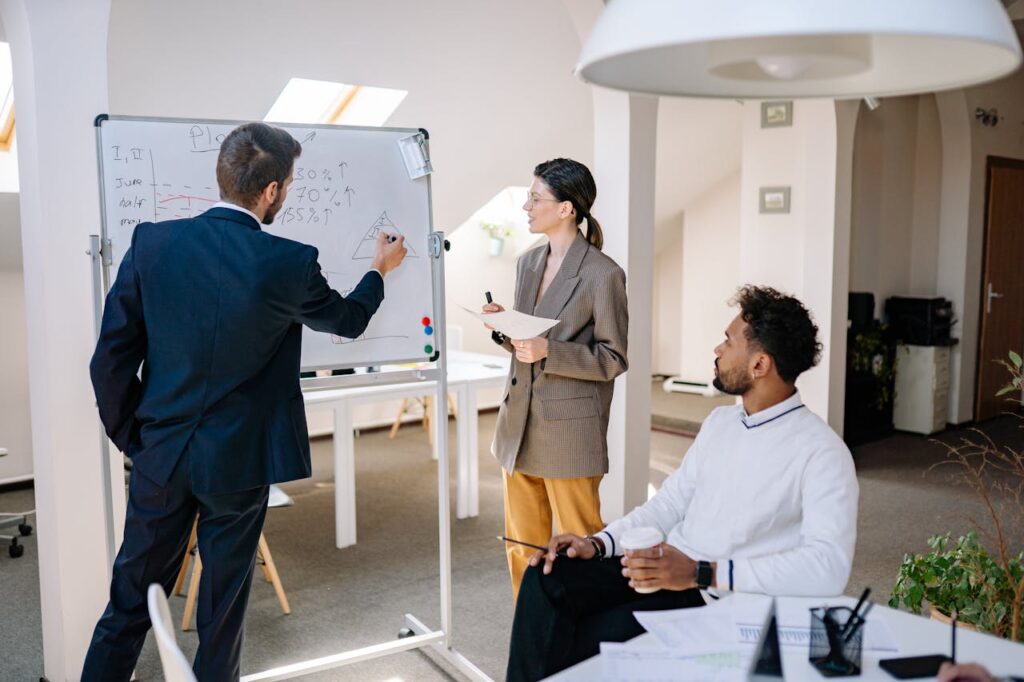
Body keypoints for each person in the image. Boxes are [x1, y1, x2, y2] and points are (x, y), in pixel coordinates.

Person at [82, 122, 407, 681]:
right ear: (272, 190)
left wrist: (137, 436)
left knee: (129, 603)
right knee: (223, 612)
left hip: (163, 452)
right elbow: (348, 323)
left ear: (223, 175)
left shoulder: (152, 243)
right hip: (239, 462)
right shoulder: (288, 262)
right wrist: (379, 270)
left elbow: (108, 360)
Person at [505, 285, 859, 681]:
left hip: (714, 595)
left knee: (583, 639)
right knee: (546, 577)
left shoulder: (822, 452)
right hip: (667, 567)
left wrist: (699, 572)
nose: (717, 349)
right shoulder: (720, 422)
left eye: (728, 341)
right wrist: (598, 543)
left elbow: (828, 567)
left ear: (760, 365)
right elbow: (669, 504)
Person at [482, 158, 628, 601]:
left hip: (569, 432)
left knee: (580, 547)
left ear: (566, 209)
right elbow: (528, 343)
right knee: (521, 548)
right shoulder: (527, 263)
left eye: (535, 198)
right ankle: (532, 634)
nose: (526, 206)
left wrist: (551, 350)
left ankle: (585, 642)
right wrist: (504, 327)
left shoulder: (604, 274)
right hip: (518, 426)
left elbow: (613, 358)